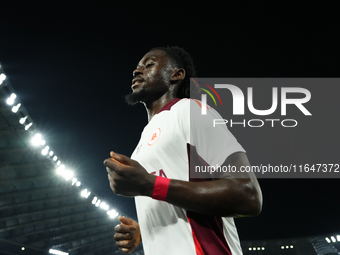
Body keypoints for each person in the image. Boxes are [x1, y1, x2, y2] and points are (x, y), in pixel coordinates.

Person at [104, 46, 262, 255]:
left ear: (176, 74)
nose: (137, 71)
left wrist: (150, 185)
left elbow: (248, 195)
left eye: (149, 64)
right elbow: (176, 206)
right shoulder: (144, 140)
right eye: (137, 67)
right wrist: (145, 230)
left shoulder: (190, 110)